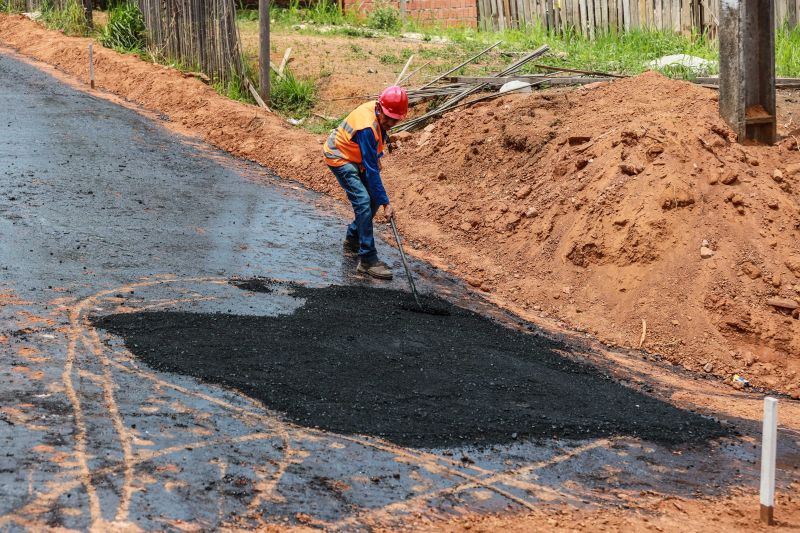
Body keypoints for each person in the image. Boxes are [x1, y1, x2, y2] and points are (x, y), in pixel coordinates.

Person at [323, 86, 408, 280]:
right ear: (380, 108)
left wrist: (377, 155)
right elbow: (371, 172)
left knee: (373, 200)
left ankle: (353, 239)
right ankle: (368, 260)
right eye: (388, 117)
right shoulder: (367, 126)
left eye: (395, 119)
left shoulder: (378, 117)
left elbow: (376, 144)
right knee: (363, 201)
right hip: (339, 156)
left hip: (356, 155)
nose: (390, 122)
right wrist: (387, 202)